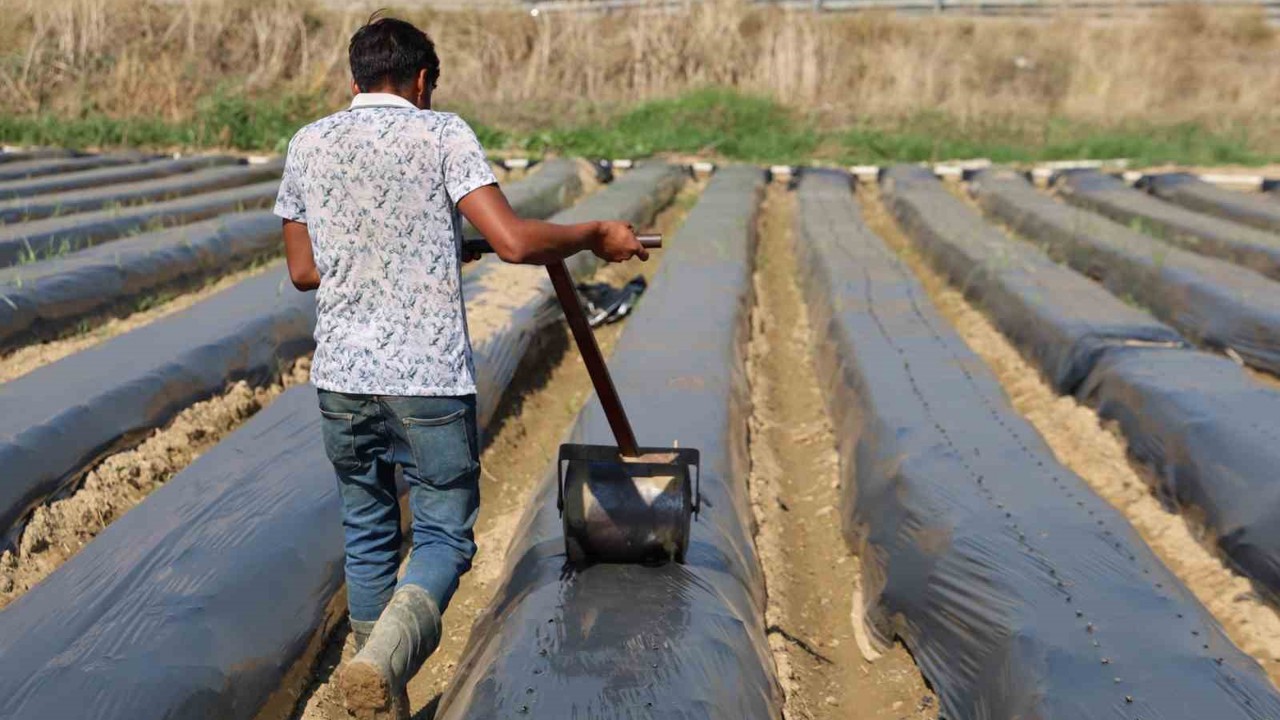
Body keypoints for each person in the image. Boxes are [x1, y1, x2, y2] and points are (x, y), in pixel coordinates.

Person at [273, 14, 648, 720]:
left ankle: (372, 698)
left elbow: (303, 270)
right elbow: (511, 240)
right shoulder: (442, 132)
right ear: (421, 80)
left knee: (367, 526)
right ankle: (382, 664)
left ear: (354, 79)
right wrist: (596, 233)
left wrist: (427, 248)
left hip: (342, 378)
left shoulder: (309, 142)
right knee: (444, 533)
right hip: (426, 379)